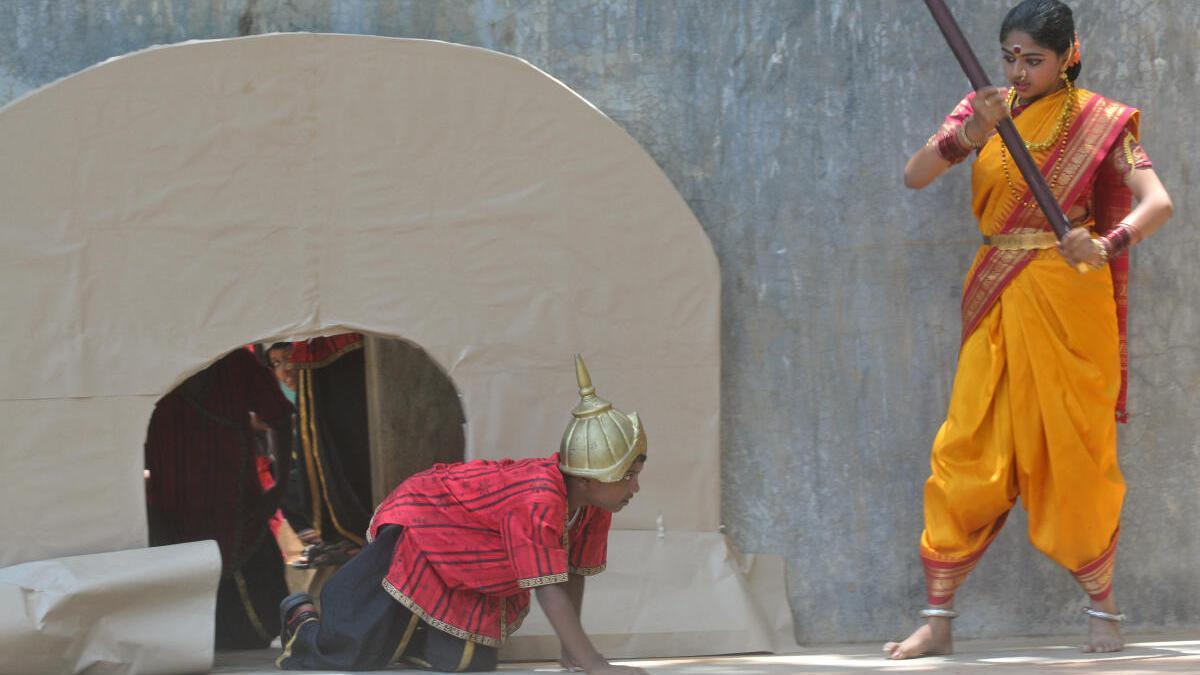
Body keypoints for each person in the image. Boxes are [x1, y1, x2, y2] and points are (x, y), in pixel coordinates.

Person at [885, 0, 1173, 659]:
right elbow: (916, 174)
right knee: (966, 445)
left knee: (1076, 452)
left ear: (1067, 55)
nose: (1018, 71)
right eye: (1010, 56)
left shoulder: (1100, 120)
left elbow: (1160, 202)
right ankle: (938, 616)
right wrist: (971, 133)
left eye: (1033, 60)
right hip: (996, 289)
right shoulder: (983, 108)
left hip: (1070, 290)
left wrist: (1109, 241)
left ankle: (1104, 612)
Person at [275, 356, 649, 674]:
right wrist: (593, 662)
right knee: (354, 652)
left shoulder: (592, 505)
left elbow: (570, 571)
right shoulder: (539, 499)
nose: (634, 488)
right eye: (627, 476)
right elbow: (547, 588)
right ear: (585, 478)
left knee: (467, 663)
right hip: (424, 523)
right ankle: (301, 616)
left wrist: (574, 654)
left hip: (470, 564)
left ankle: (407, 630)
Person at [144, 348, 295, 649]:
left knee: (252, 630)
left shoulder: (235, 362)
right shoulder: (149, 364)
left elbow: (279, 417)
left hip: (235, 506)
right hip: (174, 511)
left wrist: (279, 486)